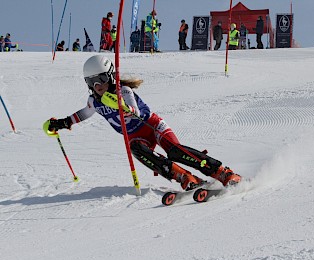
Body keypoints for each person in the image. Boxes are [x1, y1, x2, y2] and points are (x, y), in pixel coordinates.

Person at [42, 55, 241, 191]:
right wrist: (63, 122)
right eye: (91, 81)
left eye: (101, 79)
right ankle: (184, 177)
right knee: (136, 148)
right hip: (137, 136)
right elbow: (84, 113)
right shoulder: (94, 101)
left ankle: (222, 173)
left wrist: (121, 106)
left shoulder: (123, 91)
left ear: (110, 76)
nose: (97, 85)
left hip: (152, 126)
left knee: (174, 150)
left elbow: (134, 111)